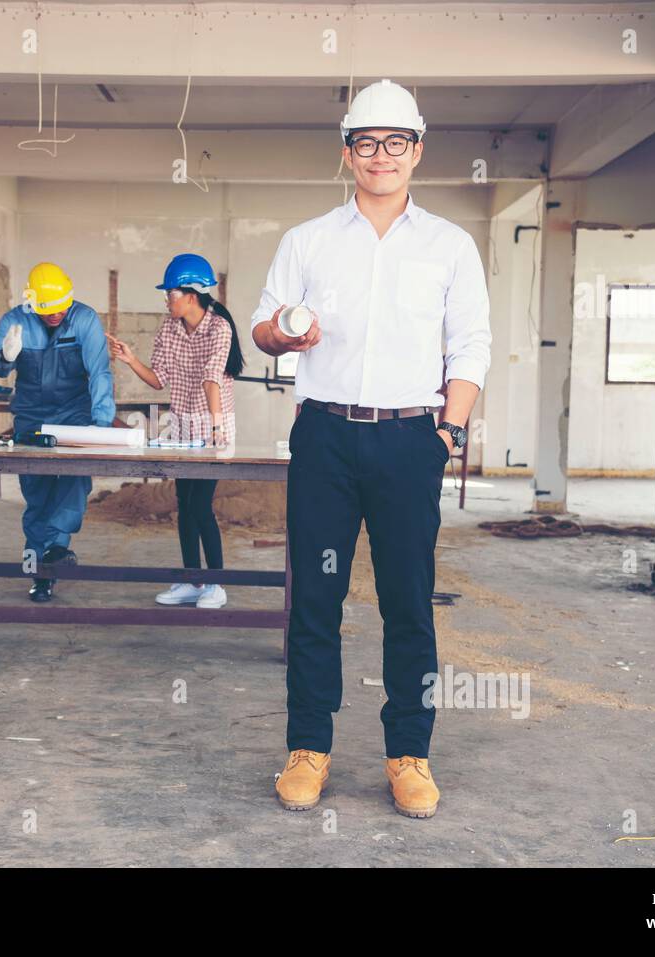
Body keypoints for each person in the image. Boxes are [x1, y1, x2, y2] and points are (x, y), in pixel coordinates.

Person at [250, 80, 491, 817]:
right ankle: (308, 748)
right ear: (347, 151)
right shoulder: (308, 240)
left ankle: (408, 753)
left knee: (407, 602)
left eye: (395, 143)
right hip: (325, 434)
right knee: (315, 600)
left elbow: (471, 345)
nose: (380, 156)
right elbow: (261, 327)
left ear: (417, 150)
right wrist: (285, 334)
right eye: (365, 142)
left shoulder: (450, 244)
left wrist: (446, 431)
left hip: (410, 437)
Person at [105, 253, 244, 611]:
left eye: (170, 293)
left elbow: (212, 377)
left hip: (214, 427)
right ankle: (191, 580)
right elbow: (158, 380)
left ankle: (217, 583)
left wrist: (214, 426)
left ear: (191, 295)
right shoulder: (169, 328)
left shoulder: (219, 328)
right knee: (184, 505)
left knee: (202, 505)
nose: (167, 299)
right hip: (181, 427)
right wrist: (130, 358)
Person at [0, 262, 115, 602]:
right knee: (37, 493)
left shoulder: (84, 319)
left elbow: (99, 372)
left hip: (74, 415)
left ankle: (54, 550)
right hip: (31, 418)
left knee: (74, 480)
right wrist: (4, 356)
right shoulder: (17, 320)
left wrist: (101, 425)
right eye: (47, 310)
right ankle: (39, 571)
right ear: (33, 303)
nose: (54, 315)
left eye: (60, 309)